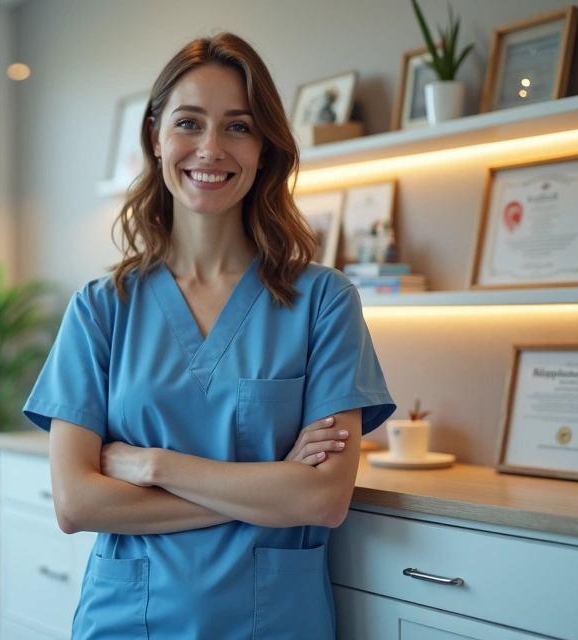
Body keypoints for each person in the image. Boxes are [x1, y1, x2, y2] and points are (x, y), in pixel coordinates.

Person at [23, 32, 395, 639]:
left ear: (265, 148)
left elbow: (322, 500)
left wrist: (150, 464)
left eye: (239, 127)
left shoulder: (324, 303)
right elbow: (77, 504)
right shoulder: (101, 309)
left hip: (271, 623)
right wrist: (269, 484)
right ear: (156, 138)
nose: (211, 148)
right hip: (127, 624)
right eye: (189, 123)